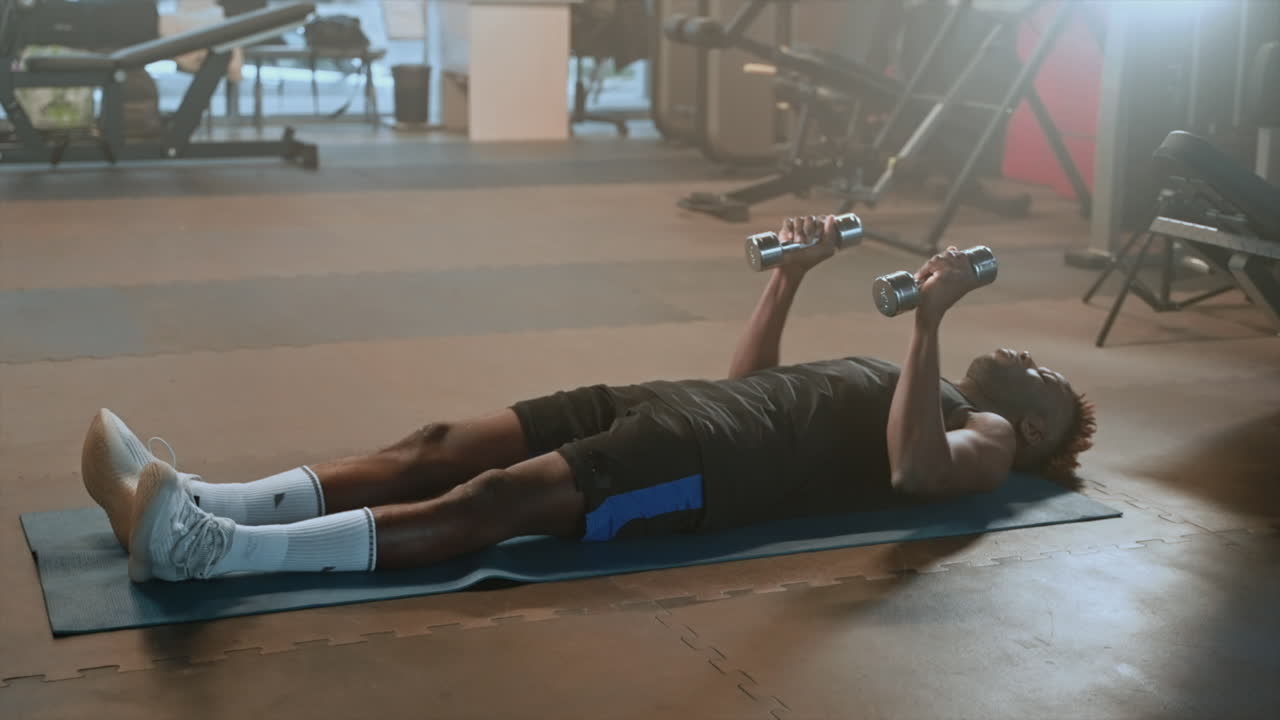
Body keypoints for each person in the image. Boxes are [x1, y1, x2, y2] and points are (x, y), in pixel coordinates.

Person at [80, 215, 1096, 583]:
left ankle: (212, 558)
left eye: (1047, 379)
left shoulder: (990, 435)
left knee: (483, 510)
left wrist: (925, 323)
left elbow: (917, 474)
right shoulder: (933, 389)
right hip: (683, 406)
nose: (1025, 357)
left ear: (1039, 427)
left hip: (710, 470)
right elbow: (749, 388)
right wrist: (783, 282)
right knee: (439, 441)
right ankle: (210, 501)